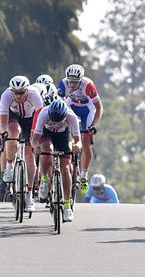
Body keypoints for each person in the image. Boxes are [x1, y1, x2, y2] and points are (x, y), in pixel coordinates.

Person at [0, 75, 44, 212]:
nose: (18, 96)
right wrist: (3, 133)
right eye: (15, 92)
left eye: (21, 92)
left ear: (27, 90)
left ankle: (29, 194)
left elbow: (41, 116)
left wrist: (37, 136)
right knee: (12, 133)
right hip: (14, 117)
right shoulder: (6, 95)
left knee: (29, 155)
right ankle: (10, 166)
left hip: (31, 120)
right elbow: (3, 118)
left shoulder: (35, 96)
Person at [32, 99, 82, 222]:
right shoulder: (44, 114)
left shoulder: (71, 116)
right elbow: (34, 140)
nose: (55, 125)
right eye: (53, 122)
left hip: (63, 136)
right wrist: (36, 147)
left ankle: (66, 206)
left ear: (65, 117)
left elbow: (78, 141)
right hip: (46, 134)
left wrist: (77, 146)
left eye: (58, 122)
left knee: (65, 168)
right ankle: (44, 180)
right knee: (46, 149)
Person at [57, 64, 102, 192]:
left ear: (81, 80)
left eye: (75, 82)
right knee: (65, 131)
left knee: (86, 143)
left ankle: (83, 176)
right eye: (70, 81)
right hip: (71, 107)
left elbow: (99, 108)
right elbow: (59, 104)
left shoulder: (88, 85)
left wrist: (93, 124)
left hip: (87, 110)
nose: (71, 85)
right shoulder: (62, 84)